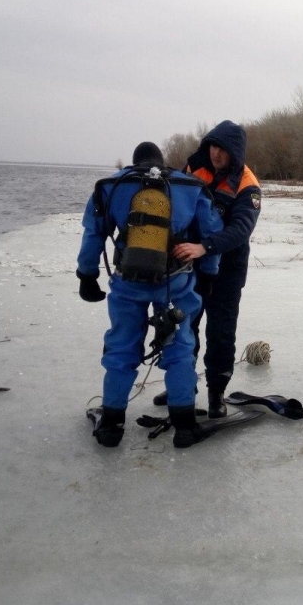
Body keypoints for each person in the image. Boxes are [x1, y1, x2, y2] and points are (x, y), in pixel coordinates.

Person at [76, 142, 222, 448]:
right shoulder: (188, 185)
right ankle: (184, 425)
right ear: (162, 160)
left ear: (134, 161)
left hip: (128, 283)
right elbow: (211, 230)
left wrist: (87, 275)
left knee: (121, 347)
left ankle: (112, 423)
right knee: (180, 346)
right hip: (176, 282)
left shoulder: (113, 185)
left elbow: (94, 233)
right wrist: (208, 272)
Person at [152, 120, 261, 417]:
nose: (215, 154)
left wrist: (205, 247)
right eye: (213, 146)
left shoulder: (247, 184)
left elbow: (241, 229)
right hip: (190, 270)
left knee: (221, 334)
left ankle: (217, 393)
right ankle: (182, 386)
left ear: (235, 153)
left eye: (222, 150)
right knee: (185, 329)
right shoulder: (193, 170)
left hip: (227, 271)